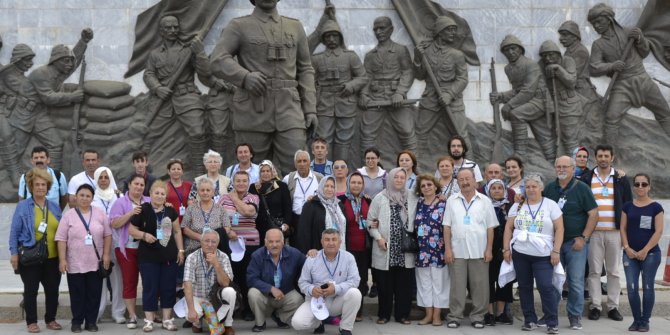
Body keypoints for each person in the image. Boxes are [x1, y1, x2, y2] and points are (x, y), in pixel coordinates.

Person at [211, 0, 318, 174]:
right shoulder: (239, 25)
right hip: (253, 109)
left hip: (289, 109)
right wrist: (244, 77)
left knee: (298, 167)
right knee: (250, 171)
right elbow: (217, 59)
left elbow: (305, 68)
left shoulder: (294, 26)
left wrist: (310, 109)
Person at [588, 2, 670, 145]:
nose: (596, 26)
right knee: (611, 118)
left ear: (609, 19)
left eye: (599, 21)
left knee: (664, 112)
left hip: (642, 79)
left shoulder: (629, 32)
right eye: (593, 23)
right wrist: (611, 66)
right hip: (621, 85)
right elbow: (594, 68)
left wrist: (640, 39)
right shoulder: (598, 44)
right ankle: (609, 156)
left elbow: (644, 52)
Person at [142, 15, 209, 175]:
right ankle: (142, 170)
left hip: (187, 97)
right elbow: (148, 74)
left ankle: (199, 172)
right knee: (147, 134)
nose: (172, 30)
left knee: (198, 132)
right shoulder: (155, 54)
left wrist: (200, 53)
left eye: (175, 27)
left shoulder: (188, 50)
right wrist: (157, 88)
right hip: (163, 100)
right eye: (168, 28)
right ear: (161, 31)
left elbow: (205, 72)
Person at [502, 174, 564, 334]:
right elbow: (509, 228)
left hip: (543, 255)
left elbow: (559, 229)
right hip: (521, 253)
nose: (530, 189)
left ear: (541, 188)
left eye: (534, 186)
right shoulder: (518, 206)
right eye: (527, 187)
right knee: (524, 287)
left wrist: (556, 250)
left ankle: (551, 321)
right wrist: (506, 249)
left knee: (545, 286)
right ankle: (529, 320)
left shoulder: (550, 205)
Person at [25, 29, 93, 170]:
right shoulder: (41, 74)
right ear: (55, 61)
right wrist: (72, 97)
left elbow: (74, 62)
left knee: (56, 144)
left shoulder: (59, 71)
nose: (70, 64)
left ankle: (53, 178)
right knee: (14, 149)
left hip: (38, 115)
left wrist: (83, 42)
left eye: (70, 61)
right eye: (66, 61)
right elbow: (48, 97)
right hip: (22, 115)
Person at [543, 156, 598, 330]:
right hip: (553, 244)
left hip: (575, 244)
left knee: (575, 281)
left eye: (564, 166)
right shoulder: (550, 188)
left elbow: (594, 214)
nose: (561, 169)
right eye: (558, 166)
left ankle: (574, 316)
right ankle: (550, 314)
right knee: (552, 281)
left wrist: (584, 238)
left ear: (573, 169)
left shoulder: (582, 188)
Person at [580, 144, 632, 322]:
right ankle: (595, 306)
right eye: (600, 156)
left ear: (612, 158)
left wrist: (626, 232)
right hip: (593, 232)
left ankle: (613, 307)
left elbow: (627, 206)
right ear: (595, 157)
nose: (603, 159)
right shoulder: (587, 178)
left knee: (613, 272)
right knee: (594, 272)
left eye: (606, 156)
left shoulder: (620, 178)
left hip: (614, 232)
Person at [9, 168, 64, 333]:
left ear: (48, 187)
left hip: (53, 257)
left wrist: (64, 257)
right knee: (31, 291)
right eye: (37, 185)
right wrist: (13, 254)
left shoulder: (55, 207)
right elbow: (14, 232)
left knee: (53, 291)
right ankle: (31, 322)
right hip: (31, 256)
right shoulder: (23, 207)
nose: (40, 187)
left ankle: (51, 319)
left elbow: (62, 232)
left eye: (43, 185)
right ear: (31, 187)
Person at [442, 168, 498, 329]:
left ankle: (478, 316)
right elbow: (446, 227)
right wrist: (448, 249)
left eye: (468, 179)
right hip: (457, 250)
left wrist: (489, 249)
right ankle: (455, 316)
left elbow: (490, 228)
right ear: (457, 182)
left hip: (479, 250)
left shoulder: (485, 201)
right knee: (457, 286)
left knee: (480, 286)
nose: (465, 182)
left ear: (475, 180)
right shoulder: (452, 200)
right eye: (461, 179)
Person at [128, 181, 185, 332]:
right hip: (148, 257)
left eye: (162, 193)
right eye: (156, 193)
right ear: (150, 194)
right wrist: (144, 235)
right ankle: (149, 321)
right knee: (150, 288)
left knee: (168, 288)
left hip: (168, 257)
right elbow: (131, 230)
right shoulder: (143, 210)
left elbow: (177, 231)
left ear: (166, 196)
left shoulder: (170, 211)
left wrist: (180, 250)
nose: (159, 196)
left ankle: (167, 320)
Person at [55, 184, 112, 333]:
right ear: (76, 197)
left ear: (92, 198)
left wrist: (106, 254)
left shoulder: (100, 214)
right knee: (77, 294)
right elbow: (61, 238)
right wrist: (62, 259)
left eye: (88, 196)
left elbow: (107, 235)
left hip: (95, 262)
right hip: (75, 263)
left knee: (94, 294)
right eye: (82, 195)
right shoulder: (68, 215)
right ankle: (77, 321)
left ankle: (91, 322)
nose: (85, 198)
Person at [490, 35, 556, 161]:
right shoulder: (508, 68)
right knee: (543, 134)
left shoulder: (530, 65)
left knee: (517, 114)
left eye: (513, 48)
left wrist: (509, 105)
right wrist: (501, 96)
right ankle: (550, 160)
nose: (510, 52)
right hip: (528, 101)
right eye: (506, 50)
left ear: (520, 49)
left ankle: (521, 153)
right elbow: (518, 90)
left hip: (540, 100)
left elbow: (528, 90)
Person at [311, 18, 367, 164]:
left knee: (344, 138)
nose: (331, 39)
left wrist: (351, 86)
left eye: (334, 35)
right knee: (323, 138)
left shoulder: (350, 56)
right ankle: (324, 172)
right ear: (323, 39)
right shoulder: (316, 59)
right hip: (324, 103)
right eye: (327, 36)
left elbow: (363, 77)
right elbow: (308, 80)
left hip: (346, 102)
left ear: (340, 37)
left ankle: (341, 172)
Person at [414, 16, 469, 164]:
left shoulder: (457, 55)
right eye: (449, 30)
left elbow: (462, 79)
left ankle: (469, 166)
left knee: (460, 134)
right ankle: (417, 165)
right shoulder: (425, 51)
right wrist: (418, 58)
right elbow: (419, 76)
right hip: (431, 97)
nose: (453, 33)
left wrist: (450, 94)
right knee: (420, 133)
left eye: (454, 30)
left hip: (452, 99)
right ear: (439, 32)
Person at [358, 16, 416, 154]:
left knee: (407, 132)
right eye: (376, 29)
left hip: (396, 97)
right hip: (376, 98)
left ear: (391, 30)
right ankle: (366, 169)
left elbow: (408, 72)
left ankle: (414, 168)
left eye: (382, 28)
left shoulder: (401, 50)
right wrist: (364, 95)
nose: (379, 32)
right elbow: (367, 77)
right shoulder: (370, 55)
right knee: (367, 134)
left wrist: (400, 93)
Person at [367, 167, 418, 325]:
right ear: (390, 179)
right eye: (396, 177)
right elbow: (370, 222)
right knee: (385, 286)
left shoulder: (412, 196)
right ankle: (384, 315)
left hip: (406, 250)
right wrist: (378, 238)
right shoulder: (380, 197)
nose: (399, 180)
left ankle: (402, 315)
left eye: (402, 177)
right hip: (385, 248)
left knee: (404, 286)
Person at [292, 229, 361, 335]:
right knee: (297, 323)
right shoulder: (312, 259)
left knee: (355, 293)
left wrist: (336, 288)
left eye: (334, 239)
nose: (331, 243)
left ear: (340, 242)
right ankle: (319, 322)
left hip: (338, 300)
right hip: (316, 300)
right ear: (322, 242)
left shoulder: (348, 258)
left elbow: (355, 280)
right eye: (327, 240)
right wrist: (311, 289)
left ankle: (345, 328)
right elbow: (302, 282)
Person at [620, 173, 664, 332]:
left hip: (651, 255)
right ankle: (636, 320)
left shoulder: (656, 207)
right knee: (631, 288)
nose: (640, 187)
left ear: (649, 187)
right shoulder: (627, 206)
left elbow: (658, 232)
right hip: (629, 254)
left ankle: (645, 320)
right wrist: (627, 248)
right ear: (633, 187)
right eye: (637, 184)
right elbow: (623, 228)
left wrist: (645, 250)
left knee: (647, 286)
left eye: (644, 184)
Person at [109, 174, 149, 329]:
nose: (139, 187)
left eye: (141, 184)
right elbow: (115, 223)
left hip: (147, 249)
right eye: (136, 184)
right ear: (130, 185)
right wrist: (131, 213)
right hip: (127, 249)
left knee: (150, 282)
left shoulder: (149, 201)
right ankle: (132, 316)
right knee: (130, 282)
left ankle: (151, 314)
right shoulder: (120, 202)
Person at [219, 171, 260, 321]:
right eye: (238, 181)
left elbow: (248, 211)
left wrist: (234, 197)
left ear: (248, 182)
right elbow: (218, 218)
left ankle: (247, 309)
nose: (241, 183)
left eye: (244, 181)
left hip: (249, 244)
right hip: (229, 243)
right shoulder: (223, 198)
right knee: (231, 276)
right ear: (233, 182)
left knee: (246, 278)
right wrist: (228, 230)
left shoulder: (253, 197)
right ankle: (231, 308)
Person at [247, 228, 306, 332]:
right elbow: (251, 279)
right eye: (271, 241)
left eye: (277, 241)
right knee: (253, 293)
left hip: (284, 294)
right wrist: (270, 288)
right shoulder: (257, 255)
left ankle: (280, 317)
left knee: (299, 300)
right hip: (265, 296)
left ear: (283, 242)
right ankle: (260, 323)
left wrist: (312, 254)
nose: (274, 245)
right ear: (265, 243)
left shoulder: (294, 253)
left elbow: (308, 264)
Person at [182, 229, 237, 335]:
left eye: (213, 242)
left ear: (218, 243)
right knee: (193, 314)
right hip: (197, 296)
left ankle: (227, 325)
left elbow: (226, 284)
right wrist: (191, 309)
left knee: (230, 291)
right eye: (207, 241)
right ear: (201, 242)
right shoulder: (192, 257)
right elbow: (187, 284)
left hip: (216, 298)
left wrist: (216, 264)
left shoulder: (223, 257)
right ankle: (197, 324)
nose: (210, 244)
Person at [91, 167, 126, 324]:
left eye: (106, 177)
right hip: (97, 243)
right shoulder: (91, 197)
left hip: (117, 241)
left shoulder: (119, 195)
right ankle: (97, 311)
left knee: (117, 278)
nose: (103, 180)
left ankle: (118, 312)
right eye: (101, 177)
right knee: (100, 277)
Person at [413, 174, 448, 326]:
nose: (426, 187)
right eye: (423, 186)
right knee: (424, 284)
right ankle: (428, 314)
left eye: (429, 185)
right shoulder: (418, 204)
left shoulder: (444, 204)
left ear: (435, 187)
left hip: (439, 251)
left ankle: (437, 316)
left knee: (439, 284)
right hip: (422, 251)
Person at [557, 21, 602, 139]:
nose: (561, 39)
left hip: (584, 93)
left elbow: (571, 75)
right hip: (575, 92)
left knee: (591, 128)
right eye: (561, 35)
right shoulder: (569, 50)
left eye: (565, 35)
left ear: (575, 36)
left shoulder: (580, 51)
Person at [0, 44, 38, 185]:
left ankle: (13, 171)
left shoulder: (5, 71)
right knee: (7, 136)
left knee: (16, 141)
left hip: (5, 110)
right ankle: (14, 174)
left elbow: (21, 88)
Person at [539, 40, 583, 155]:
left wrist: (558, 69)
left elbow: (572, 82)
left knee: (570, 139)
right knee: (556, 138)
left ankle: (576, 168)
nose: (547, 58)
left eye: (551, 55)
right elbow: (541, 87)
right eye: (544, 56)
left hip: (569, 105)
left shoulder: (568, 61)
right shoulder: (541, 65)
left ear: (558, 54)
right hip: (552, 106)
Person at [338, 172, 372, 321]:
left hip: (364, 248)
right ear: (348, 184)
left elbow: (373, 220)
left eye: (359, 183)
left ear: (363, 185)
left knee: (362, 279)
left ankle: (358, 311)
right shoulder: (340, 201)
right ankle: (342, 310)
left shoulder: (368, 201)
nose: (356, 185)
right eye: (353, 182)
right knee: (345, 280)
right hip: (347, 247)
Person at [483, 179, 515, 326]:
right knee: (488, 280)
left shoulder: (511, 207)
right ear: (489, 191)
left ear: (504, 190)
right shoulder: (484, 206)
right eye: (493, 188)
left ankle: (500, 313)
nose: (496, 190)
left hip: (506, 248)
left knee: (504, 280)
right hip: (489, 247)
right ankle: (489, 313)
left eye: (499, 188)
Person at [182, 178, 234, 257]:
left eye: (208, 190)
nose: (205, 192)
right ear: (198, 192)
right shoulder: (191, 208)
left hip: (217, 248)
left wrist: (212, 239)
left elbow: (227, 227)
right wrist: (201, 238)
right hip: (195, 249)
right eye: (202, 190)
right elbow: (185, 229)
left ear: (213, 192)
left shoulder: (221, 209)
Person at [296, 175, 346, 254]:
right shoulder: (311, 204)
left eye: (332, 187)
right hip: (318, 251)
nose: (329, 189)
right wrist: (307, 250)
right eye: (326, 186)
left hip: (340, 250)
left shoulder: (339, 205)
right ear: (321, 186)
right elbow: (304, 232)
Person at [249, 160, 293, 241]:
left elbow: (287, 206)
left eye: (268, 171)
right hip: (259, 226)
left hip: (277, 225)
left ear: (272, 171)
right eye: (262, 171)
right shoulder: (254, 187)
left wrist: (287, 223)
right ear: (259, 173)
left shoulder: (281, 186)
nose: (265, 173)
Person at [282, 150, 324, 232]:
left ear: (309, 163)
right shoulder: (288, 179)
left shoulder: (320, 178)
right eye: (299, 161)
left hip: (314, 220)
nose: (302, 164)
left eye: (304, 161)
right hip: (295, 221)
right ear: (295, 164)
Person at [18, 146, 68, 210]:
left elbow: (64, 197)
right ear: (32, 161)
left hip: (53, 216)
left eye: (42, 157)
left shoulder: (58, 176)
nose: (39, 160)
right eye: (36, 158)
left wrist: (57, 212)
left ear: (48, 160)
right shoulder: (25, 177)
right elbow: (21, 200)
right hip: (32, 216)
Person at [166, 159, 192, 223]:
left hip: (188, 221)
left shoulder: (189, 185)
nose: (176, 171)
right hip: (171, 221)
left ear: (182, 171)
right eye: (173, 169)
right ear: (169, 171)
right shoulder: (164, 187)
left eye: (178, 169)